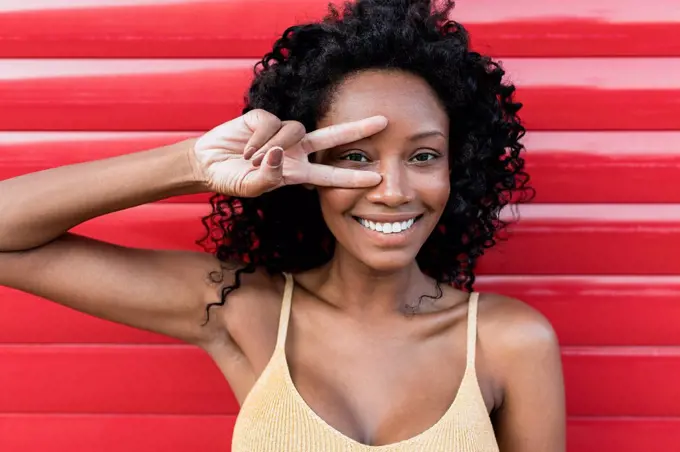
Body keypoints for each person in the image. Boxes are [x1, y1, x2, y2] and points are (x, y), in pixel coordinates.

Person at [0, 0, 565, 450]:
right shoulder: (245, 308)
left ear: (458, 168)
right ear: (307, 168)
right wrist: (192, 164)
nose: (393, 192)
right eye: (355, 157)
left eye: (422, 157)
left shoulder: (507, 341)